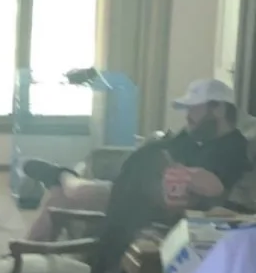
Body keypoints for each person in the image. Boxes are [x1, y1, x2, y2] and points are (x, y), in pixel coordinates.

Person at [24, 77, 249, 242]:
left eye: (194, 109)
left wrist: (180, 173)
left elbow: (215, 185)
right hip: (133, 190)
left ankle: (61, 174)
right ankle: (22, 256)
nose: (187, 115)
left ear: (218, 109)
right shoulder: (194, 137)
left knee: (75, 192)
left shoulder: (232, 147)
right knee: (57, 196)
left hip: (147, 203)